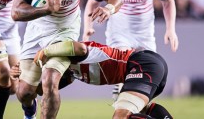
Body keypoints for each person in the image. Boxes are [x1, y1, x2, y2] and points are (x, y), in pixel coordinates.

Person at [11, 0, 122, 118]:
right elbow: (15, 12)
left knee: (49, 80)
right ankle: (30, 111)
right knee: (24, 93)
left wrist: (109, 8)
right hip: (36, 32)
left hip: (65, 33)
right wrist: (46, 9)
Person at [82, 0, 179, 100]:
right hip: (118, 34)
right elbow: (92, 2)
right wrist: (87, 27)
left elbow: (168, 0)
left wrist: (171, 29)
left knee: (147, 77)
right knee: (123, 71)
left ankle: (136, 107)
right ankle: (121, 95)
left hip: (145, 35)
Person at [32, 40, 173, 119]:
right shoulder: (68, 72)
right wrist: (25, 82)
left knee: (120, 117)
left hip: (141, 64)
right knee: (142, 109)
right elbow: (44, 89)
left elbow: (79, 48)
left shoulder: (72, 53)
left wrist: (46, 51)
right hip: (146, 66)